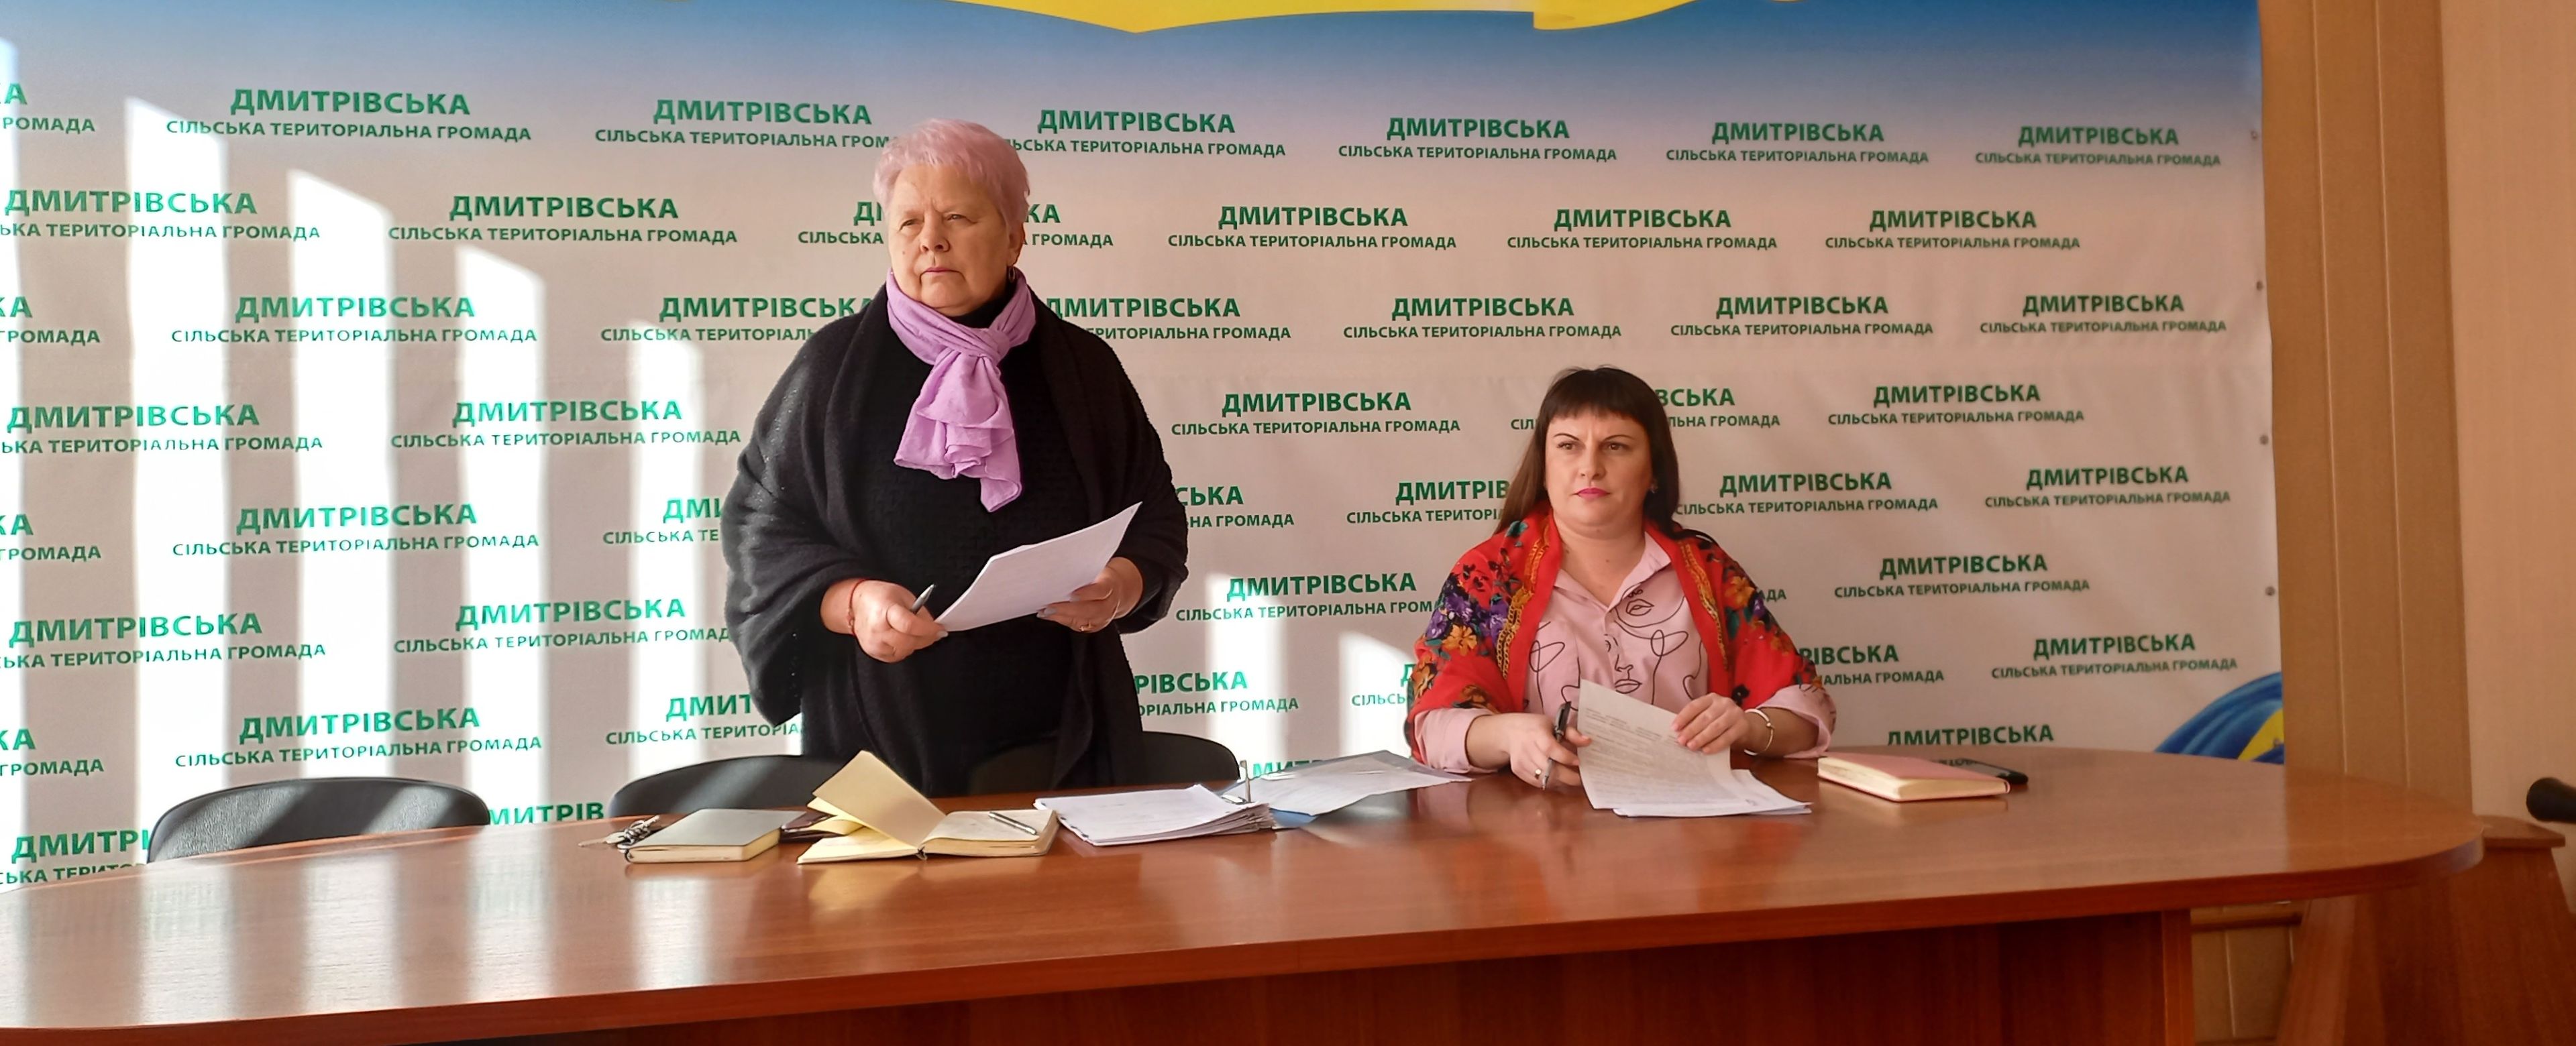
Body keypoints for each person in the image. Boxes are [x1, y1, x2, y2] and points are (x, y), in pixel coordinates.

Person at [722, 119, 1187, 795]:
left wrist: (1122, 584)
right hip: (882, 732)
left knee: (1081, 872)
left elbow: (1156, 517)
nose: (931, 239)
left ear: (1015, 235)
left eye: (958, 218)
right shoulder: (833, 369)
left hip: (1068, 732)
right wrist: (852, 604)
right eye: (909, 222)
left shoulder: (1085, 368)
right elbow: (761, 528)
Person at [1405, 367, 1833, 787]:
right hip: (1539, 819)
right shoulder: (1489, 575)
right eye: (1568, 446)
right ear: (1545, 466)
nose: (1590, 467)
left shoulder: (1708, 569)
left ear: (1654, 471)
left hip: (1689, 820)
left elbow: (1807, 708)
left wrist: (1749, 728)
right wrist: (1507, 736)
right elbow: (1432, 727)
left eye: (1616, 447)